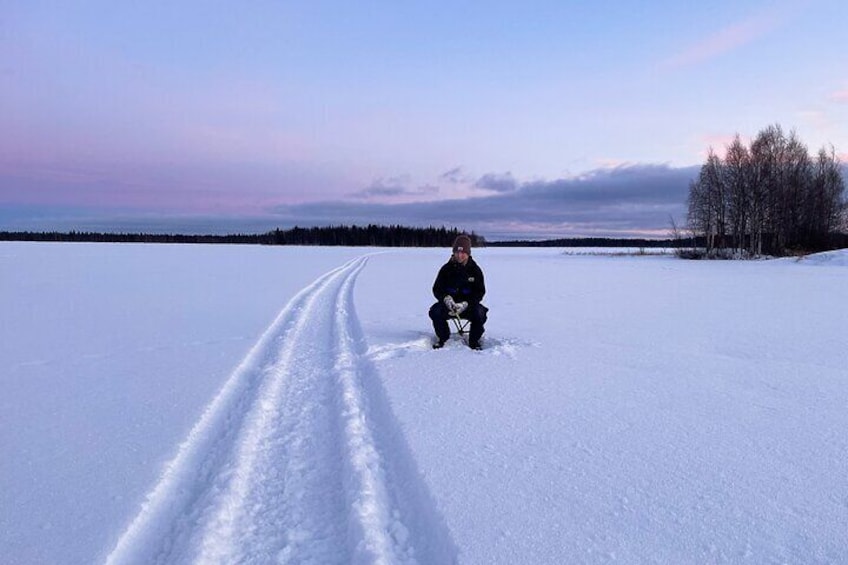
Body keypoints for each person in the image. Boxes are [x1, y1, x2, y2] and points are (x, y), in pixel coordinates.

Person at [429, 234, 488, 350]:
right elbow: (437, 289)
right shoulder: (446, 269)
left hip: (468, 307)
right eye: (457, 252)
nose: (460, 255)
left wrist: (466, 303)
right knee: (435, 311)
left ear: (468, 253)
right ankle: (443, 338)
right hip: (449, 307)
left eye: (463, 253)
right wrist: (446, 298)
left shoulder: (475, 270)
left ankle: (474, 341)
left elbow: (480, 292)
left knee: (480, 313)